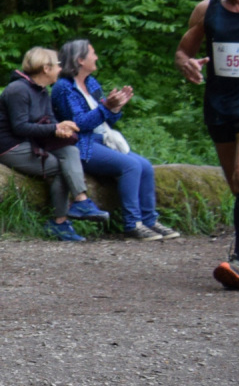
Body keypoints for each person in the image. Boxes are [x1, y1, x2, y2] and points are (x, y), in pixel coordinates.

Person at [53, 39, 177, 240]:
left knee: (145, 166)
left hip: (103, 140)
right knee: (131, 166)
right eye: (92, 53)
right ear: (80, 60)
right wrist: (106, 108)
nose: (96, 57)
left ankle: (149, 220)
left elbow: (107, 118)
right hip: (82, 145)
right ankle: (132, 223)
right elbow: (79, 124)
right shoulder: (64, 87)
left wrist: (115, 108)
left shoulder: (91, 83)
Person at [174, 0, 239, 289]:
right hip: (220, 106)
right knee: (236, 185)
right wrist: (187, 64)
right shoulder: (207, 9)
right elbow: (183, 51)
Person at [0, 47, 100, 241]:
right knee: (60, 167)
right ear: (46, 68)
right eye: (57, 65)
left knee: (70, 151)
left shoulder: (42, 92)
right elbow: (20, 127)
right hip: (9, 147)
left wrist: (63, 128)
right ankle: (59, 222)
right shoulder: (18, 90)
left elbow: (50, 122)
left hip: (32, 142)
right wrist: (55, 128)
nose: (60, 69)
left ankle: (81, 202)